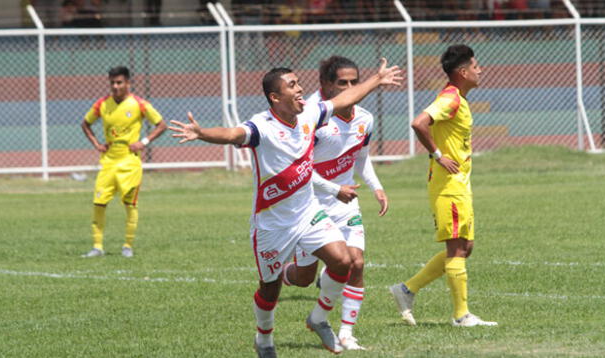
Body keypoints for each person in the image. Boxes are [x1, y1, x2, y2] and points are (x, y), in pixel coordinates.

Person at [169, 59, 401, 357]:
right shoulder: (261, 127)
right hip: (272, 225)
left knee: (344, 262)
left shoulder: (310, 115)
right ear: (275, 97)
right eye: (292, 85)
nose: (300, 88)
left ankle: (318, 319)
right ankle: (264, 339)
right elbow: (232, 134)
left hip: (309, 214)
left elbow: (345, 98)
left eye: (298, 82)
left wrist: (376, 79)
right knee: (269, 290)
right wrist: (202, 134)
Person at [280, 56, 389, 350]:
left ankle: (345, 333)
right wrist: (333, 187)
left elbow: (360, 158)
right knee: (304, 278)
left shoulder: (365, 118)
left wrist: (376, 187)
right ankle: (282, 273)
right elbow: (299, 168)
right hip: (308, 204)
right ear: (326, 85)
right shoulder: (309, 118)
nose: (350, 87)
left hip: (345, 202)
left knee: (356, 263)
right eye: (343, 82)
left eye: (355, 81)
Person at [390, 45, 497, 327]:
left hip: (459, 184)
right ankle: (461, 316)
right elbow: (419, 123)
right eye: (476, 66)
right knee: (457, 249)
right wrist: (439, 155)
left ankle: (406, 290)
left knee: (466, 246)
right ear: (463, 72)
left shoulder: (459, 98)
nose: (480, 70)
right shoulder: (450, 98)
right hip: (448, 185)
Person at [81, 66, 167, 258]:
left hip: (130, 162)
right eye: (112, 82)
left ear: (128, 83)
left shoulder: (139, 104)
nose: (115, 86)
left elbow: (162, 125)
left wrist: (143, 142)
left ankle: (127, 246)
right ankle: (97, 246)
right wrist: (97, 144)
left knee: (129, 203)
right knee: (99, 202)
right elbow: (85, 123)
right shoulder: (102, 104)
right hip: (109, 161)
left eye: (119, 82)